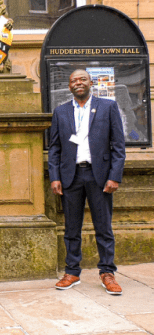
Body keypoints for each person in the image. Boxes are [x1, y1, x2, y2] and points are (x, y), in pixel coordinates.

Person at [48, 69, 126, 295]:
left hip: (99, 176)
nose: (78, 83)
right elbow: (54, 148)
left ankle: (107, 272)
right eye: (73, 80)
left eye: (82, 79)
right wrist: (55, 176)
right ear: (69, 86)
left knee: (104, 227)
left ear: (91, 82)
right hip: (71, 177)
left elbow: (118, 147)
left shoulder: (108, 107)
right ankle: (72, 271)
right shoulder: (61, 112)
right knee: (72, 228)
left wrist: (114, 176)